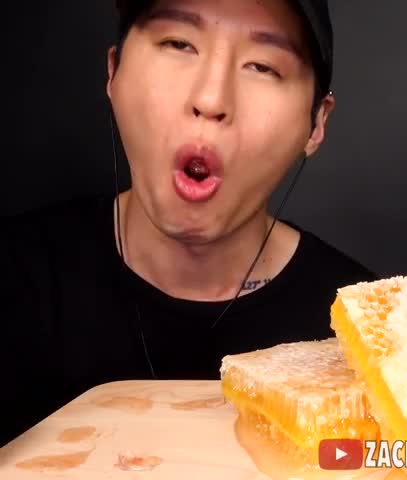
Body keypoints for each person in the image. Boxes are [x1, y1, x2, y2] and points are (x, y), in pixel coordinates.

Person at [0, 0, 376, 446]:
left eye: (263, 66)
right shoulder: (14, 281)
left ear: (316, 123)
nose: (210, 99)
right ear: (114, 72)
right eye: (178, 44)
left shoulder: (366, 337)